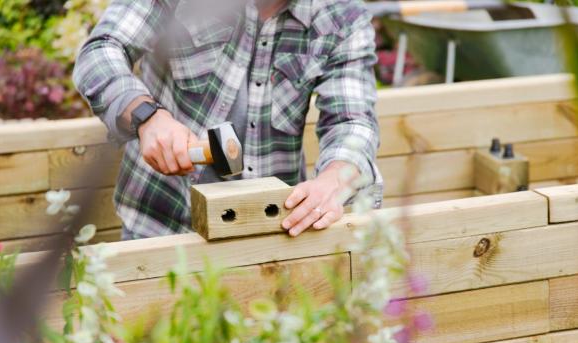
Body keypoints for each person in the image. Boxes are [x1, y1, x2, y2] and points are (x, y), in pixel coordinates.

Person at [73, 0, 382, 239]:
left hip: (273, 234)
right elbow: (102, 50)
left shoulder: (342, 17)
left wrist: (334, 181)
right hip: (161, 229)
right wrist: (148, 117)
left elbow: (351, 123)